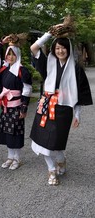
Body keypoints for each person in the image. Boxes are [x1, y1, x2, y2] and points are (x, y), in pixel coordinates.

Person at [30, 24, 93, 185]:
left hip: (64, 110)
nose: (60, 51)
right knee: (42, 140)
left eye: (63, 48)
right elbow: (34, 48)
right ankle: (51, 171)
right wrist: (49, 33)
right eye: (57, 48)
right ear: (53, 49)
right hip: (46, 105)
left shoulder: (76, 69)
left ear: (68, 49)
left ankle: (61, 160)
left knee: (57, 142)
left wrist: (77, 114)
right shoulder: (48, 63)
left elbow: (79, 94)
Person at [0, 34, 32, 170]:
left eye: (13, 55)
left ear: (17, 55)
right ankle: (10, 157)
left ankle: (17, 159)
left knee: (16, 132)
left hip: (17, 105)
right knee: (7, 131)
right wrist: (2, 43)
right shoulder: (4, 68)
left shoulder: (22, 71)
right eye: (8, 54)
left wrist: (24, 107)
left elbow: (27, 89)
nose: (10, 57)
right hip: (5, 106)